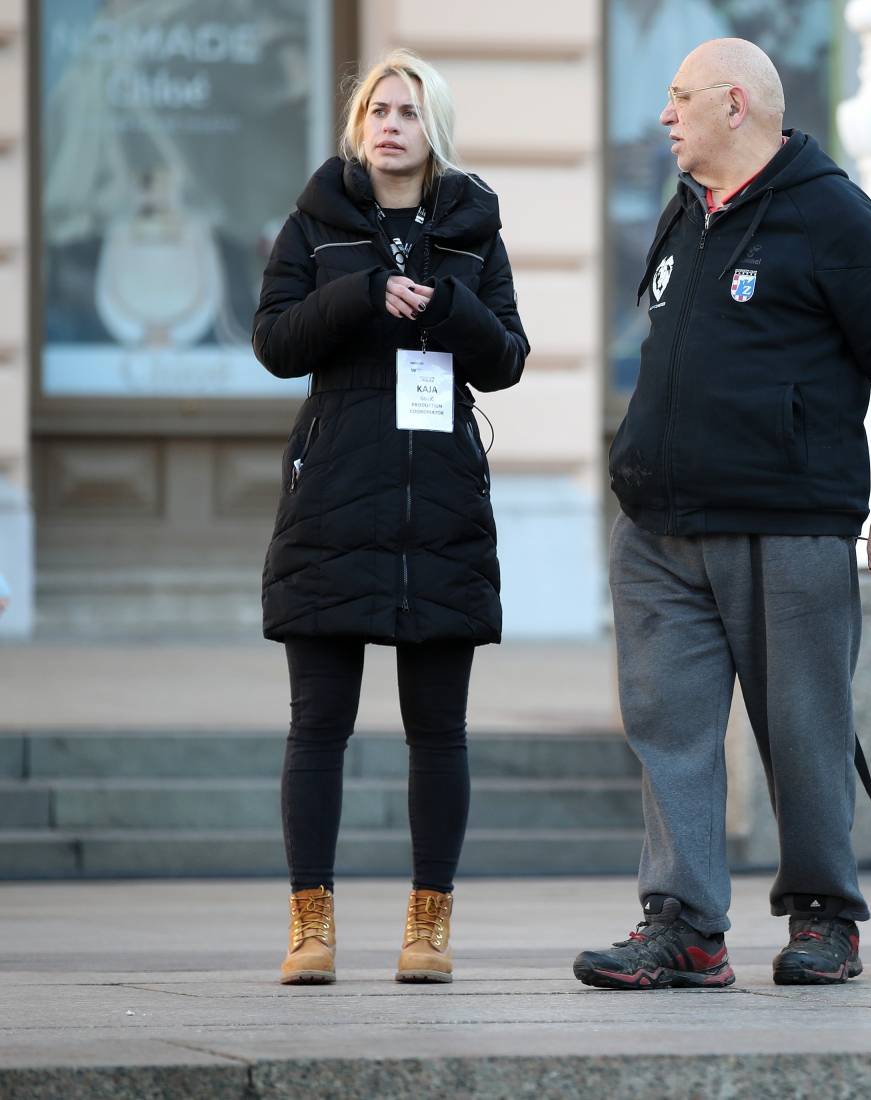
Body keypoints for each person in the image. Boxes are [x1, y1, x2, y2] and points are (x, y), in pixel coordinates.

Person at [574, 38, 871, 990]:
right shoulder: (684, 213)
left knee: (805, 730)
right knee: (669, 731)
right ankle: (685, 928)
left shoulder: (832, 215)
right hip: (658, 532)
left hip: (787, 526)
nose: (664, 116)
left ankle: (824, 919)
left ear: (734, 105)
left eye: (679, 97)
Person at [253, 49, 528, 986]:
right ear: (358, 125)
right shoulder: (315, 221)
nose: (390, 124)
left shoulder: (472, 229)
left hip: (440, 502)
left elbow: (508, 359)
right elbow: (275, 343)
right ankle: (310, 926)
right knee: (316, 727)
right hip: (332, 495)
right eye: (378, 108)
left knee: (438, 731)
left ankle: (428, 925)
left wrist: (446, 304)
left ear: (432, 127)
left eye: (408, 110)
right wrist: (361, 294)